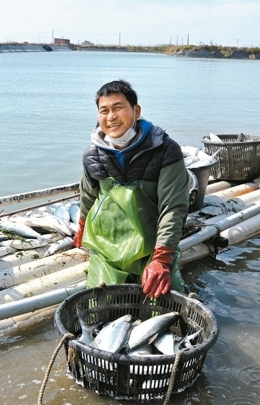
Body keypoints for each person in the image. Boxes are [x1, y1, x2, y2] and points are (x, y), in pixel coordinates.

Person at [73, 79, 190, 298]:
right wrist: (81, 225)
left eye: (118, 108)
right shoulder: (92, 155)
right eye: (104, 111)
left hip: (153, 245)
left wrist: (162, 258)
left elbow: (173, 207)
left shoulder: (165, 150)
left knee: (165, 304)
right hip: (107, 248)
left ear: (136, 111)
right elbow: (88, 196)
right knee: (100, 305)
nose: (111, 117)